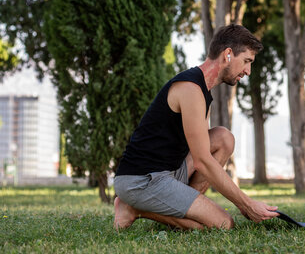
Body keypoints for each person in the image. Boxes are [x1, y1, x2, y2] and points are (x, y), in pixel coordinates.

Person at [113, 24, 279, 230]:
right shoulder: (190, 89)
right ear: (228, 54)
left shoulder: (203, 90)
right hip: (142, 180)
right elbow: (202, 161)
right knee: (222, 224)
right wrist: (246, 203)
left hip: (169, 172)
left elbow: (201, 151)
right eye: (246, 61)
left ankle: (180, 208)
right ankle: (134, 208)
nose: (248, 70)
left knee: (223, 138)